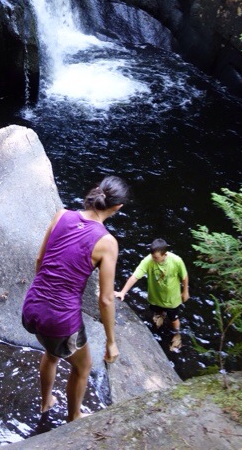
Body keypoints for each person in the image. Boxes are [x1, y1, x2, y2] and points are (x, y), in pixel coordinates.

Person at [22, 175, 129, 422]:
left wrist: (44, 296)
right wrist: (111, 341)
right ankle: (74, 418)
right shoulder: (107, 243)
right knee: (83, 366)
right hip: (60, 319)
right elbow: (106, 299)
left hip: (32, 306)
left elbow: (40, 260)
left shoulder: (62, 215)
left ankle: (46, 402)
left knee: (51, 353)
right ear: (118, 208)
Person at [115, 238, 189, 352]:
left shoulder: (176, 261)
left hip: (172, 300)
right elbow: (135, 276)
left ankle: (177, 334)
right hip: (156, 298)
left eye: (156, 257)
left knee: (174, 319)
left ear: (164, 254)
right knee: (157, 312)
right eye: (153, 256)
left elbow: (184, 277)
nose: (154, 259)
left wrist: (185, 291)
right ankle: (160, 317)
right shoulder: (148, 260)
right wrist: (123, 292)